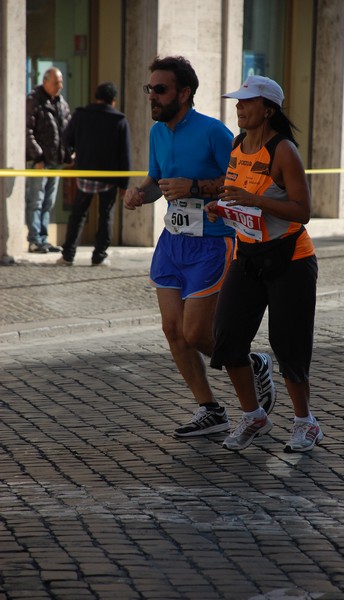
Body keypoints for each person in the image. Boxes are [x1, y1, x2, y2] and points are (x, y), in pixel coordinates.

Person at [124, 57, 276, 439]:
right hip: (172, 243)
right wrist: (138, 194)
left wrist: (194, 187)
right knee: (173, 330)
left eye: (160, 90)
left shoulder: (213, 132)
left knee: (196, 334)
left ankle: (252, 361)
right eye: (150, 89)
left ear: (184, 93)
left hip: (212, 243)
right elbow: (157, 181)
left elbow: (238, 181)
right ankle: (209, 408)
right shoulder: (158, 133)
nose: (152, 97)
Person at [206, 75, 323, 453]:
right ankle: (253, 414)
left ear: (268, 109)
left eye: (246, 102)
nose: (238, 107)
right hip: (248, 255)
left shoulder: (283, 150)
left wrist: (254, 201)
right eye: (238, 102)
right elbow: (237, 196)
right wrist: (221, 207)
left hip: (291, 258)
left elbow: (302, 210)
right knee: (227, 337)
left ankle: (306, 422)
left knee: (288, 344)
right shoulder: (239, 144)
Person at [56, 82, 132, 266]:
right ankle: (99, 256)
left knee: (78, 214)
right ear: (113, 101)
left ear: (96, 97)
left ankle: (68, 255)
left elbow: (65, 139)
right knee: (105, 215)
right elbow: (125, 154)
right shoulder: (119, 120)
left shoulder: (81, 115)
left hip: (85, 173)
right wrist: (124, 184)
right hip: (110, 177)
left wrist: (70, 158)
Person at [25, 67, 71, 253]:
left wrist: (68, 153)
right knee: (36, 200)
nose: (60, 86)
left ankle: (43, 238)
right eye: (56, 82)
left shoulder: (62, 103)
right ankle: (35, 239)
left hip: (56, 161)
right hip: (40, 161)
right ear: (45, 82)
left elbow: (67, 130)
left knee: (48, 202)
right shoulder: (33, 101)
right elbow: (27, 131)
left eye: (61, 82)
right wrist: (38, 156)